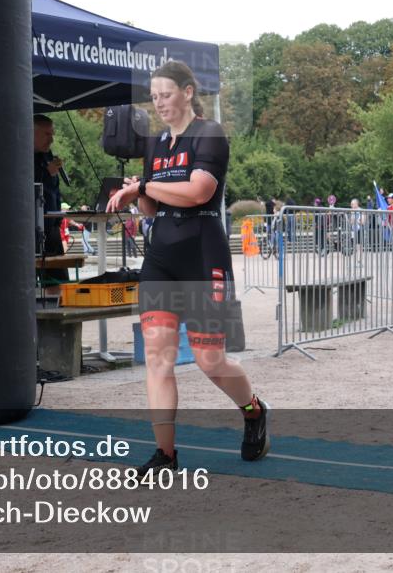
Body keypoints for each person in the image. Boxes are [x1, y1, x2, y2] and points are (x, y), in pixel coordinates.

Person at [105, 60, 267, 477]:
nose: (159, 102)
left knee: (209, 359)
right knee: (157, 355)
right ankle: (167, 455)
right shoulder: (154, 143)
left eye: (166, 94)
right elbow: (151, 205)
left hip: (202, 252)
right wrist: (131, 194)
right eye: (154, 95)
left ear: (188, 92)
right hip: (162, 255)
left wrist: (142, 187)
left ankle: (252, 411)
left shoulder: (209, 133)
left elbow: (198, 192)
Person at [33, 114, 69, 289]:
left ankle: (62, 313)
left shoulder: (46, 156)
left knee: (60, 282)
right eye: (47, 134)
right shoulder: (20, 157)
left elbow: (53, 192)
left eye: (52, 133)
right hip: (31, 231)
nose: (52, 139)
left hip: (52, 228)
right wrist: (47, 173)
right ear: (32, 133)